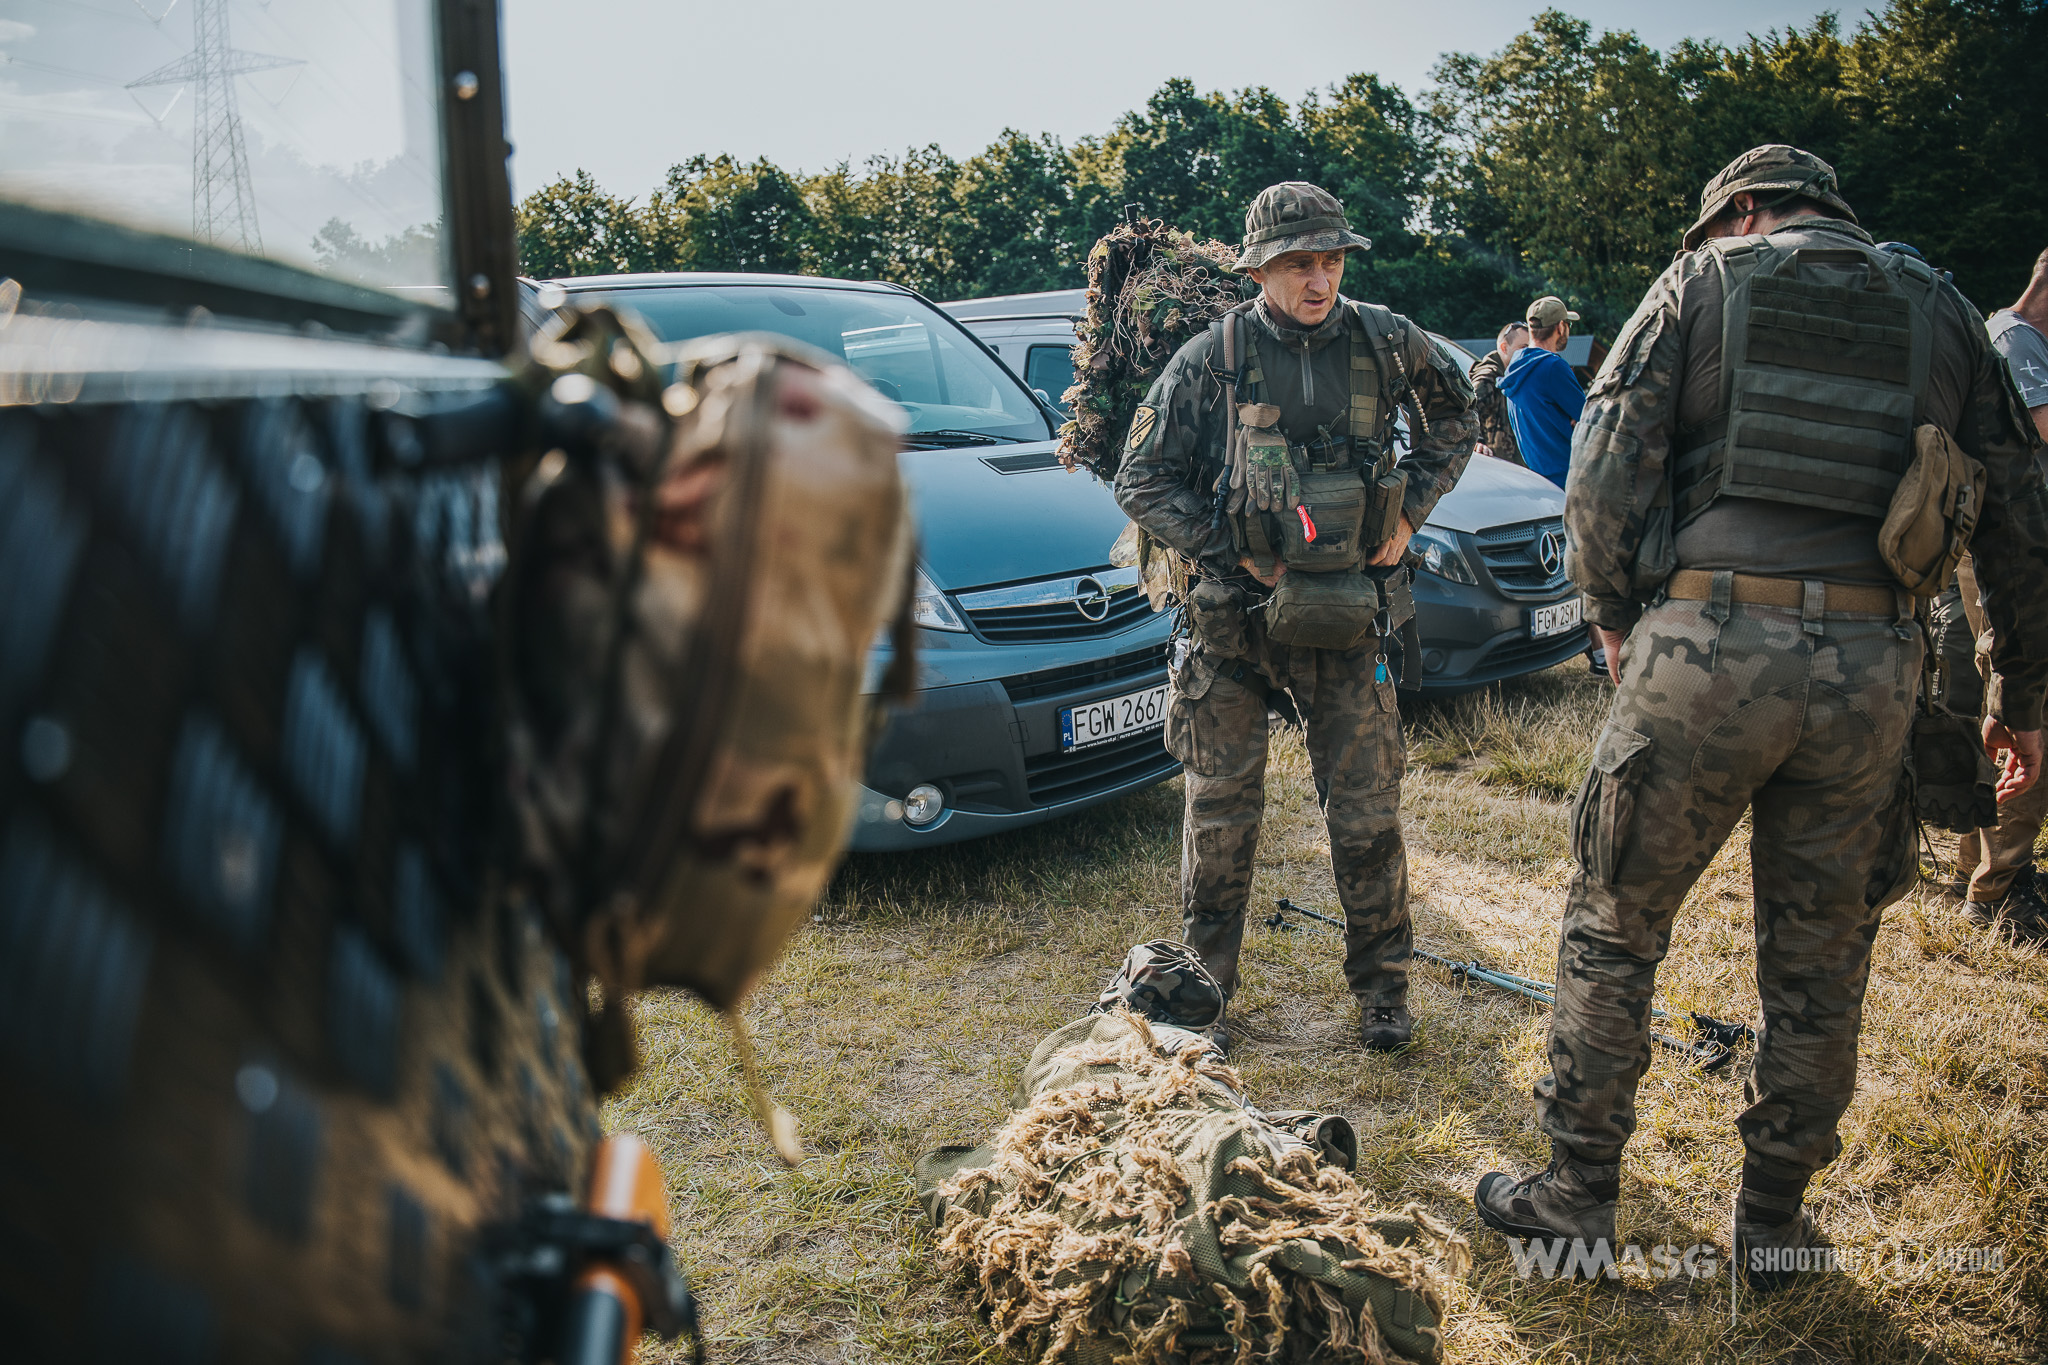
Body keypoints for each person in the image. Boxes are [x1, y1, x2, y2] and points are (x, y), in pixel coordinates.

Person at [1470, 145, 2048, 1285]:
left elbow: (1601, 468)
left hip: (1702, 650)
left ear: (1738, 213)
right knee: (1822, 956)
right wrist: (2020, 697)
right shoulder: (1941, 313)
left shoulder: (1697, 286)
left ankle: (1574, 1196)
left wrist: (1612, 614)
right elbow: (2019, 521)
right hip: (1875, 667)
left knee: (1613, 922)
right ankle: (1772, 1225)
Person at [1115, 181, 1476, 1052]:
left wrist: (1408, 513)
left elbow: (1457, 419)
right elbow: (1141, 477)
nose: (1320, 280)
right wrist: (1226, 547)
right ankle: (1201, 1002)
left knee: (1366, 815)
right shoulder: (1212, 357)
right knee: (1221, 818)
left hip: (1350, 624)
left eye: (1332, 260)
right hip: (1234, 628)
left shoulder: (1386, 338)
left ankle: (1384, 994)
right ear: (1260, 270)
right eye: (1299, 264)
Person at [1937, 246, 2048, 936]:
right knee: (2024, 705)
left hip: (2019, 555)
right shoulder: (2013, 340)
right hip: (2013, 559)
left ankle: (1982, 872)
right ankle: (1995, 890)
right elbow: (2037, 430)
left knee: (2006, 705)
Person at [1498, 296, 1585, 488]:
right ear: (1561, 327)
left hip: (1538, 480)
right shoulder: (1552, 366)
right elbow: (1590, 418)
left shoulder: (1515, 366)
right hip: (1569, 479)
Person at [1469, 321, 1529, 465]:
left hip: (1514, 465)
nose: (1527, 353)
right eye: (1523, 348)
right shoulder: (1487, 377)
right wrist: (1476, 442)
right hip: (1494, 466)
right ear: (1504, 347)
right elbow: (1465, 412)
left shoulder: (1514, 375)